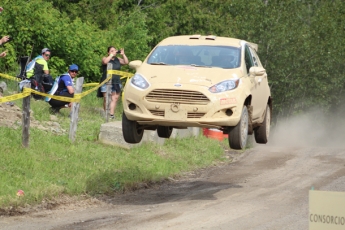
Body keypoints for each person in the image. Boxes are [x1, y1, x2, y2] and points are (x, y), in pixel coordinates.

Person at [100, 46, 128, 119]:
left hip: (116, 81)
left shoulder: (117, 59)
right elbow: (105, 62)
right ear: (108, 52)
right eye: (112, 51)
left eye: (115, 50)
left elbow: (126, 62)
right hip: (106, 81)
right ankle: (106, 113)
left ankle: (111, 114)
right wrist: (111, 55)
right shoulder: (105, 58)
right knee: (106, 98)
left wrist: (123, 54)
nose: (114, 51)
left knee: (114, 98)